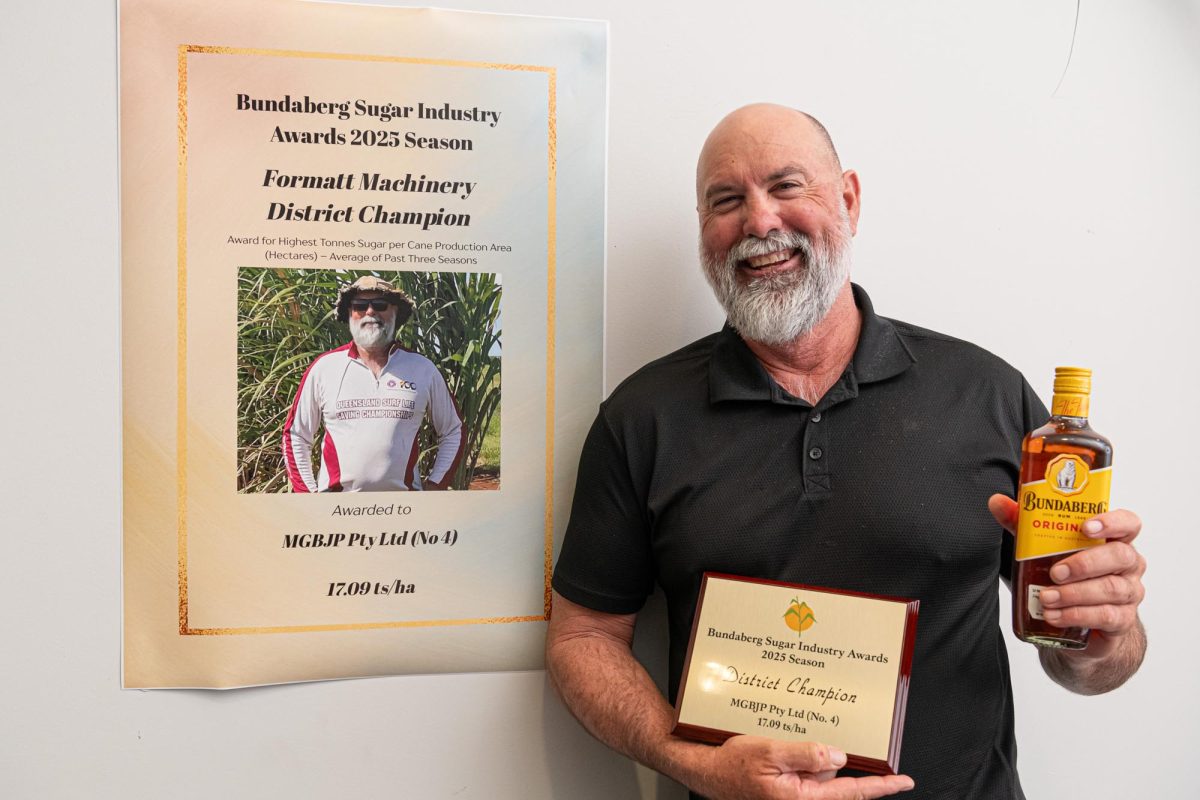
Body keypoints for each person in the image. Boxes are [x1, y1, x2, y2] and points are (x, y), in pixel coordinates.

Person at [546, 104, 1146, 800]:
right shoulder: (642, 417)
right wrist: (690, 762)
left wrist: (1106, 638)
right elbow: (581, 638)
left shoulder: (986, 395)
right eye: (726, 200)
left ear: (849, 200)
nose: (759, 221)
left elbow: (1086, 658)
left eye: (786, 185)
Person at [282, 275, 465, 492]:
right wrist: (307, 494)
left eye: (380, 305)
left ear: (396, 312)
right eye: (360, 306)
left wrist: (436, 484)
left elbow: (453, 430)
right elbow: (296, 435)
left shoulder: (422, 369)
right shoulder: (324, 368)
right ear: (349, 313)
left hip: (404, 506)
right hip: (337, 505)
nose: (370, 311)